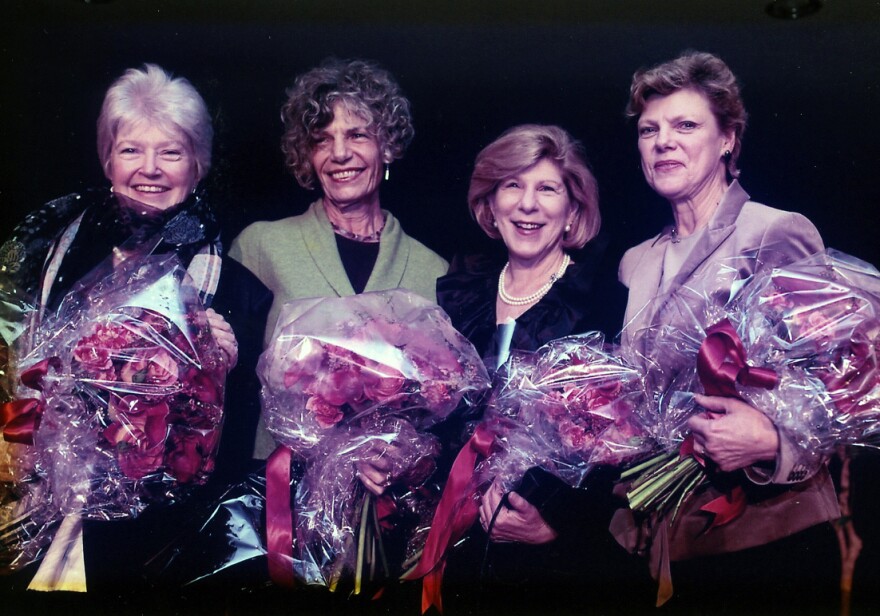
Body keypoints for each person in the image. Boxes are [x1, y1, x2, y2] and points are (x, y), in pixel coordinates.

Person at [0, 64, 270, 607]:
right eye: (130, 150)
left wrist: (222, 367)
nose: (149, 170)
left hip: (164, 549)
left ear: (198, 165)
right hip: (46, 525)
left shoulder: (240, 291)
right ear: (107, 160)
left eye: (170, 152)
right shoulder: (49, 262)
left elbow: (235, 448)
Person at [611, 50, 840, 613]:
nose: (663, 141)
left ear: (728, 139)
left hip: (764, 539)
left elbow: (840, 376)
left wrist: (773, 440)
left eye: (686, 125)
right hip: (661, 539)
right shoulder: (634, 262)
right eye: (649, 130)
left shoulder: (774, 231)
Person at [430, 124, 641, 614]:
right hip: (457, 559)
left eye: (547, 188)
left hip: (555, 572)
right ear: (491, 204)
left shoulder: (604, 306)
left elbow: (623, 451)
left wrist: (553, 530)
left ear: (572, 211)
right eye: (512, 185)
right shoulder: (460, 296)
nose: (528, 205)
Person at [229, 58, 448, 466]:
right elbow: (228, 391)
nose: (340, 153)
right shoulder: (262, 245)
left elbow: (440, 412)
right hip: (276, 497)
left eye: (357, 135)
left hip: (385, 506)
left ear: (387, 145)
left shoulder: (433, 269)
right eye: (322, 139)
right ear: (306, 154)